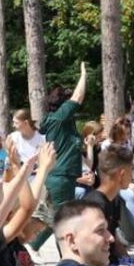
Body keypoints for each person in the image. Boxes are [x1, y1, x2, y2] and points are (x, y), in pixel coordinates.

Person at [30, 63, 88, 251]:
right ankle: (64, 254)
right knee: (63, 218)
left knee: (55, 216)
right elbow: (78, 97)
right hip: (61, 177)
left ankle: (34, 245)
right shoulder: (61, 116)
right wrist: (83, 75)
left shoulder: (59, 120)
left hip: (60, 176)